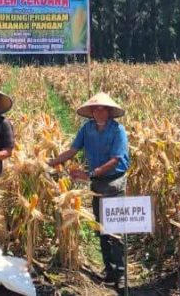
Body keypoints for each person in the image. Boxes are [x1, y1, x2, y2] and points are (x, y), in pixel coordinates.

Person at [49, 92, 130, 285]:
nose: (99, 112)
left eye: (103, 109)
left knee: (115, 227)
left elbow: (116, 159)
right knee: (101, 227)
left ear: (109, 111)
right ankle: (109, 270)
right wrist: (51, 163)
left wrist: (91, 174)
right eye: (96, 109)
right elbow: (72, 151)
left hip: (114, 182)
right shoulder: (87, 129)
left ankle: (121, 274)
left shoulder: (118, 130)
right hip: (97, 183)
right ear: (92, 112)